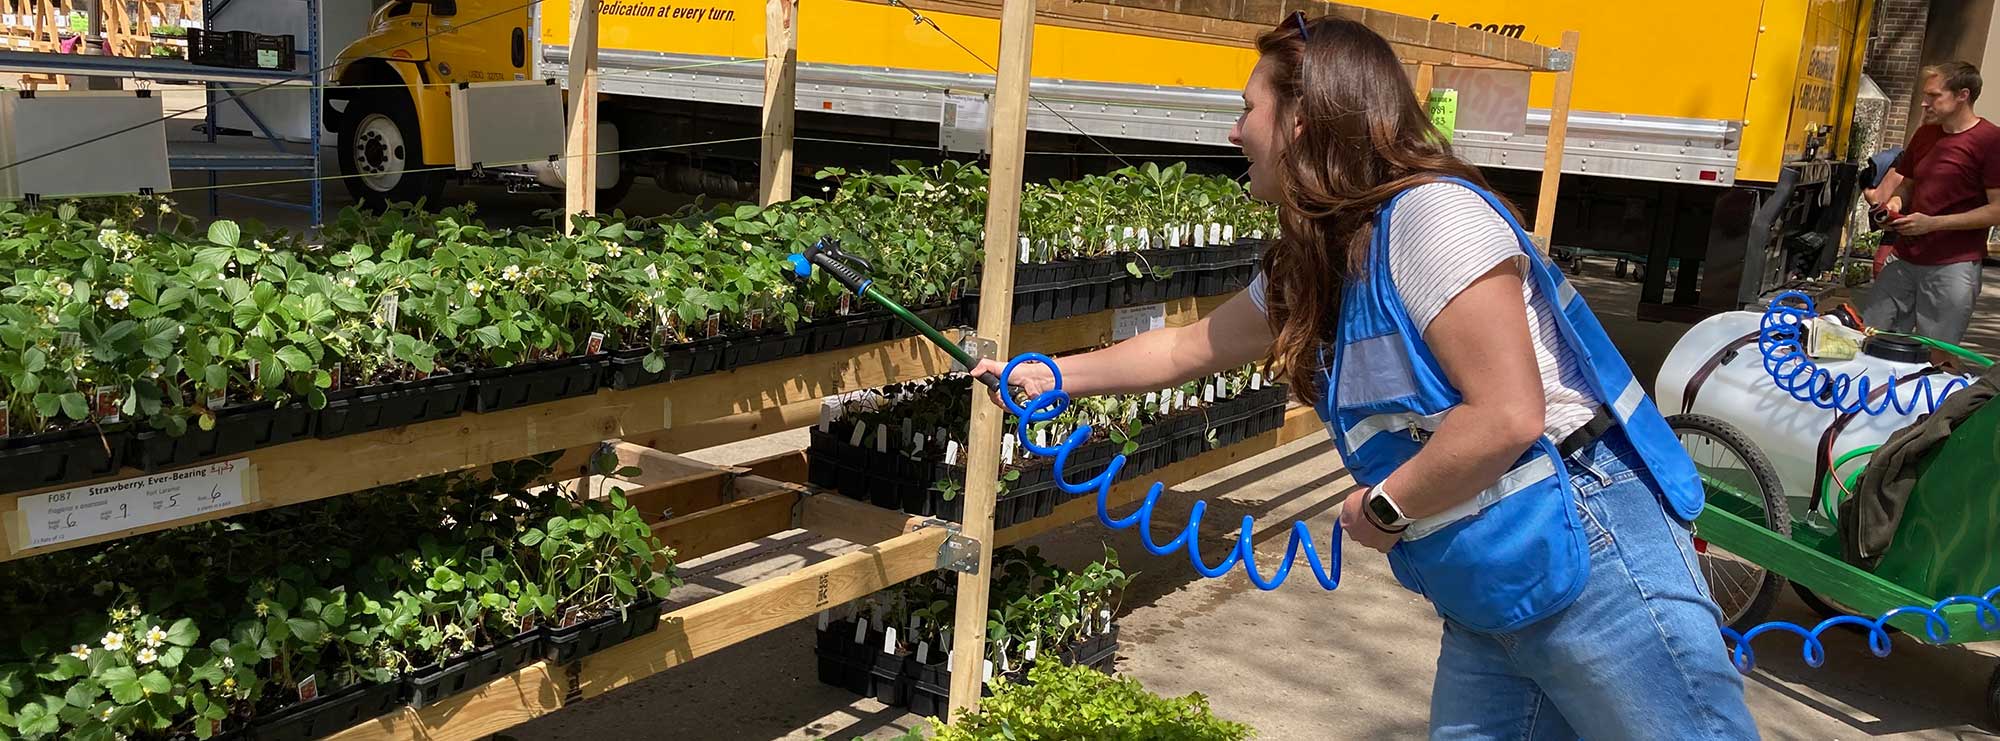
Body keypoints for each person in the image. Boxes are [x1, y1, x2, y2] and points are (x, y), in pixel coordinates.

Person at [973, 14, 1758, 740]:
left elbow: (1509, 413)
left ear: (1302, 125)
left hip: (1590, 547)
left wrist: (1388, 504)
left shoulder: (1432, 219)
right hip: (1487, 571)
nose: (1234, 129)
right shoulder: (1323, 258)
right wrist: (1050, 375)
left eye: (1248, 109)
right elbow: (1191, 348)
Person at [1862, 61, 2000, 343]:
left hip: (1952, 267)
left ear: (1963, 95)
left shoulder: (1990, 141)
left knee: (1938, 354)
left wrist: (1933, 223)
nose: (1924, 103)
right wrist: (1896, 205)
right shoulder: (1925, 134)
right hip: (1903, 258)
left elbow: (1997, 210)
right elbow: (1908, 184)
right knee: (1870, 338)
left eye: (1934, 96)